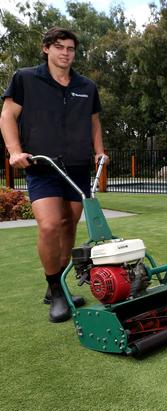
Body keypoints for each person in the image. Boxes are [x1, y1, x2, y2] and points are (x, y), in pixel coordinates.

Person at [0, 27, 108, 322]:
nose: (65, 53)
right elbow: (8, 115)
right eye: (59, 47)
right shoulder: (25, 79)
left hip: (77, 167)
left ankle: (58, 284)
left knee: (69, 225)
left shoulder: (86, 86)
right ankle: (55, 292)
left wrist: (99, 150)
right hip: (42, 165)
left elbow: (94, 121)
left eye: (70, 48)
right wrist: (14, 151)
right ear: (46, 48)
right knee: (49, 226)